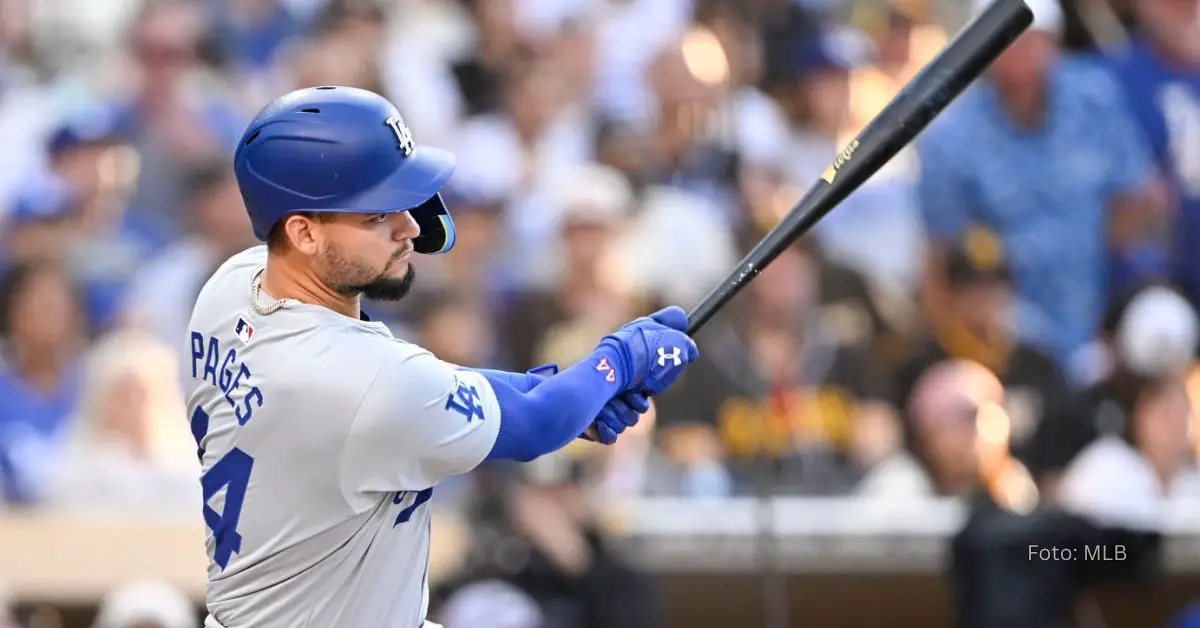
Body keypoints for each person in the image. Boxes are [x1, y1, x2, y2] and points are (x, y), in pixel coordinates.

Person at [182, 85, 699, 628]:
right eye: (376, 214)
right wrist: (619, 358)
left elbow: (442, 388)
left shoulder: (235, 287)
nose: (409, 227)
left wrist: (561, 391)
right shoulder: (358, 382)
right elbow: (535, 424)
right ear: (304, 232)